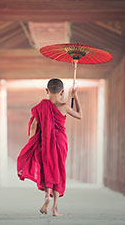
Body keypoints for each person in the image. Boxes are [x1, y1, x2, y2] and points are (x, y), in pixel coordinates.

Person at [17, 78, 82, 216]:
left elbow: (34, 125)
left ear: (46, 91)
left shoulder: (41, 106)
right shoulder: (64, 106)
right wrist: (75, 96)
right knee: (58, 170)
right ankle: (55, 209)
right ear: (62, 91)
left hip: (44, 142)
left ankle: (47, 196)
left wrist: (32, 142)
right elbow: (79, 115)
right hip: (61, 142)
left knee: (47, 168)